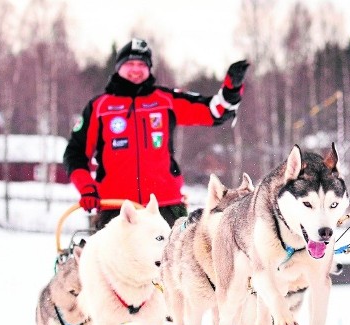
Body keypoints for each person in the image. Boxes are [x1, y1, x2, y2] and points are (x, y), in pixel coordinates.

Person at [63, 38, 249, 229]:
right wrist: (87, 188)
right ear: (118, 67)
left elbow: (213, 111)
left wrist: (231, 89)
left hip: (165, 206)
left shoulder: (166, 100)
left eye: (142, 64)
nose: (136, 69)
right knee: (108, 259)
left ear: (149, 69)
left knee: (175, 258)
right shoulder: (99, 107)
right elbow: (74, 154)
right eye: (130, 64)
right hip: (116, 208)